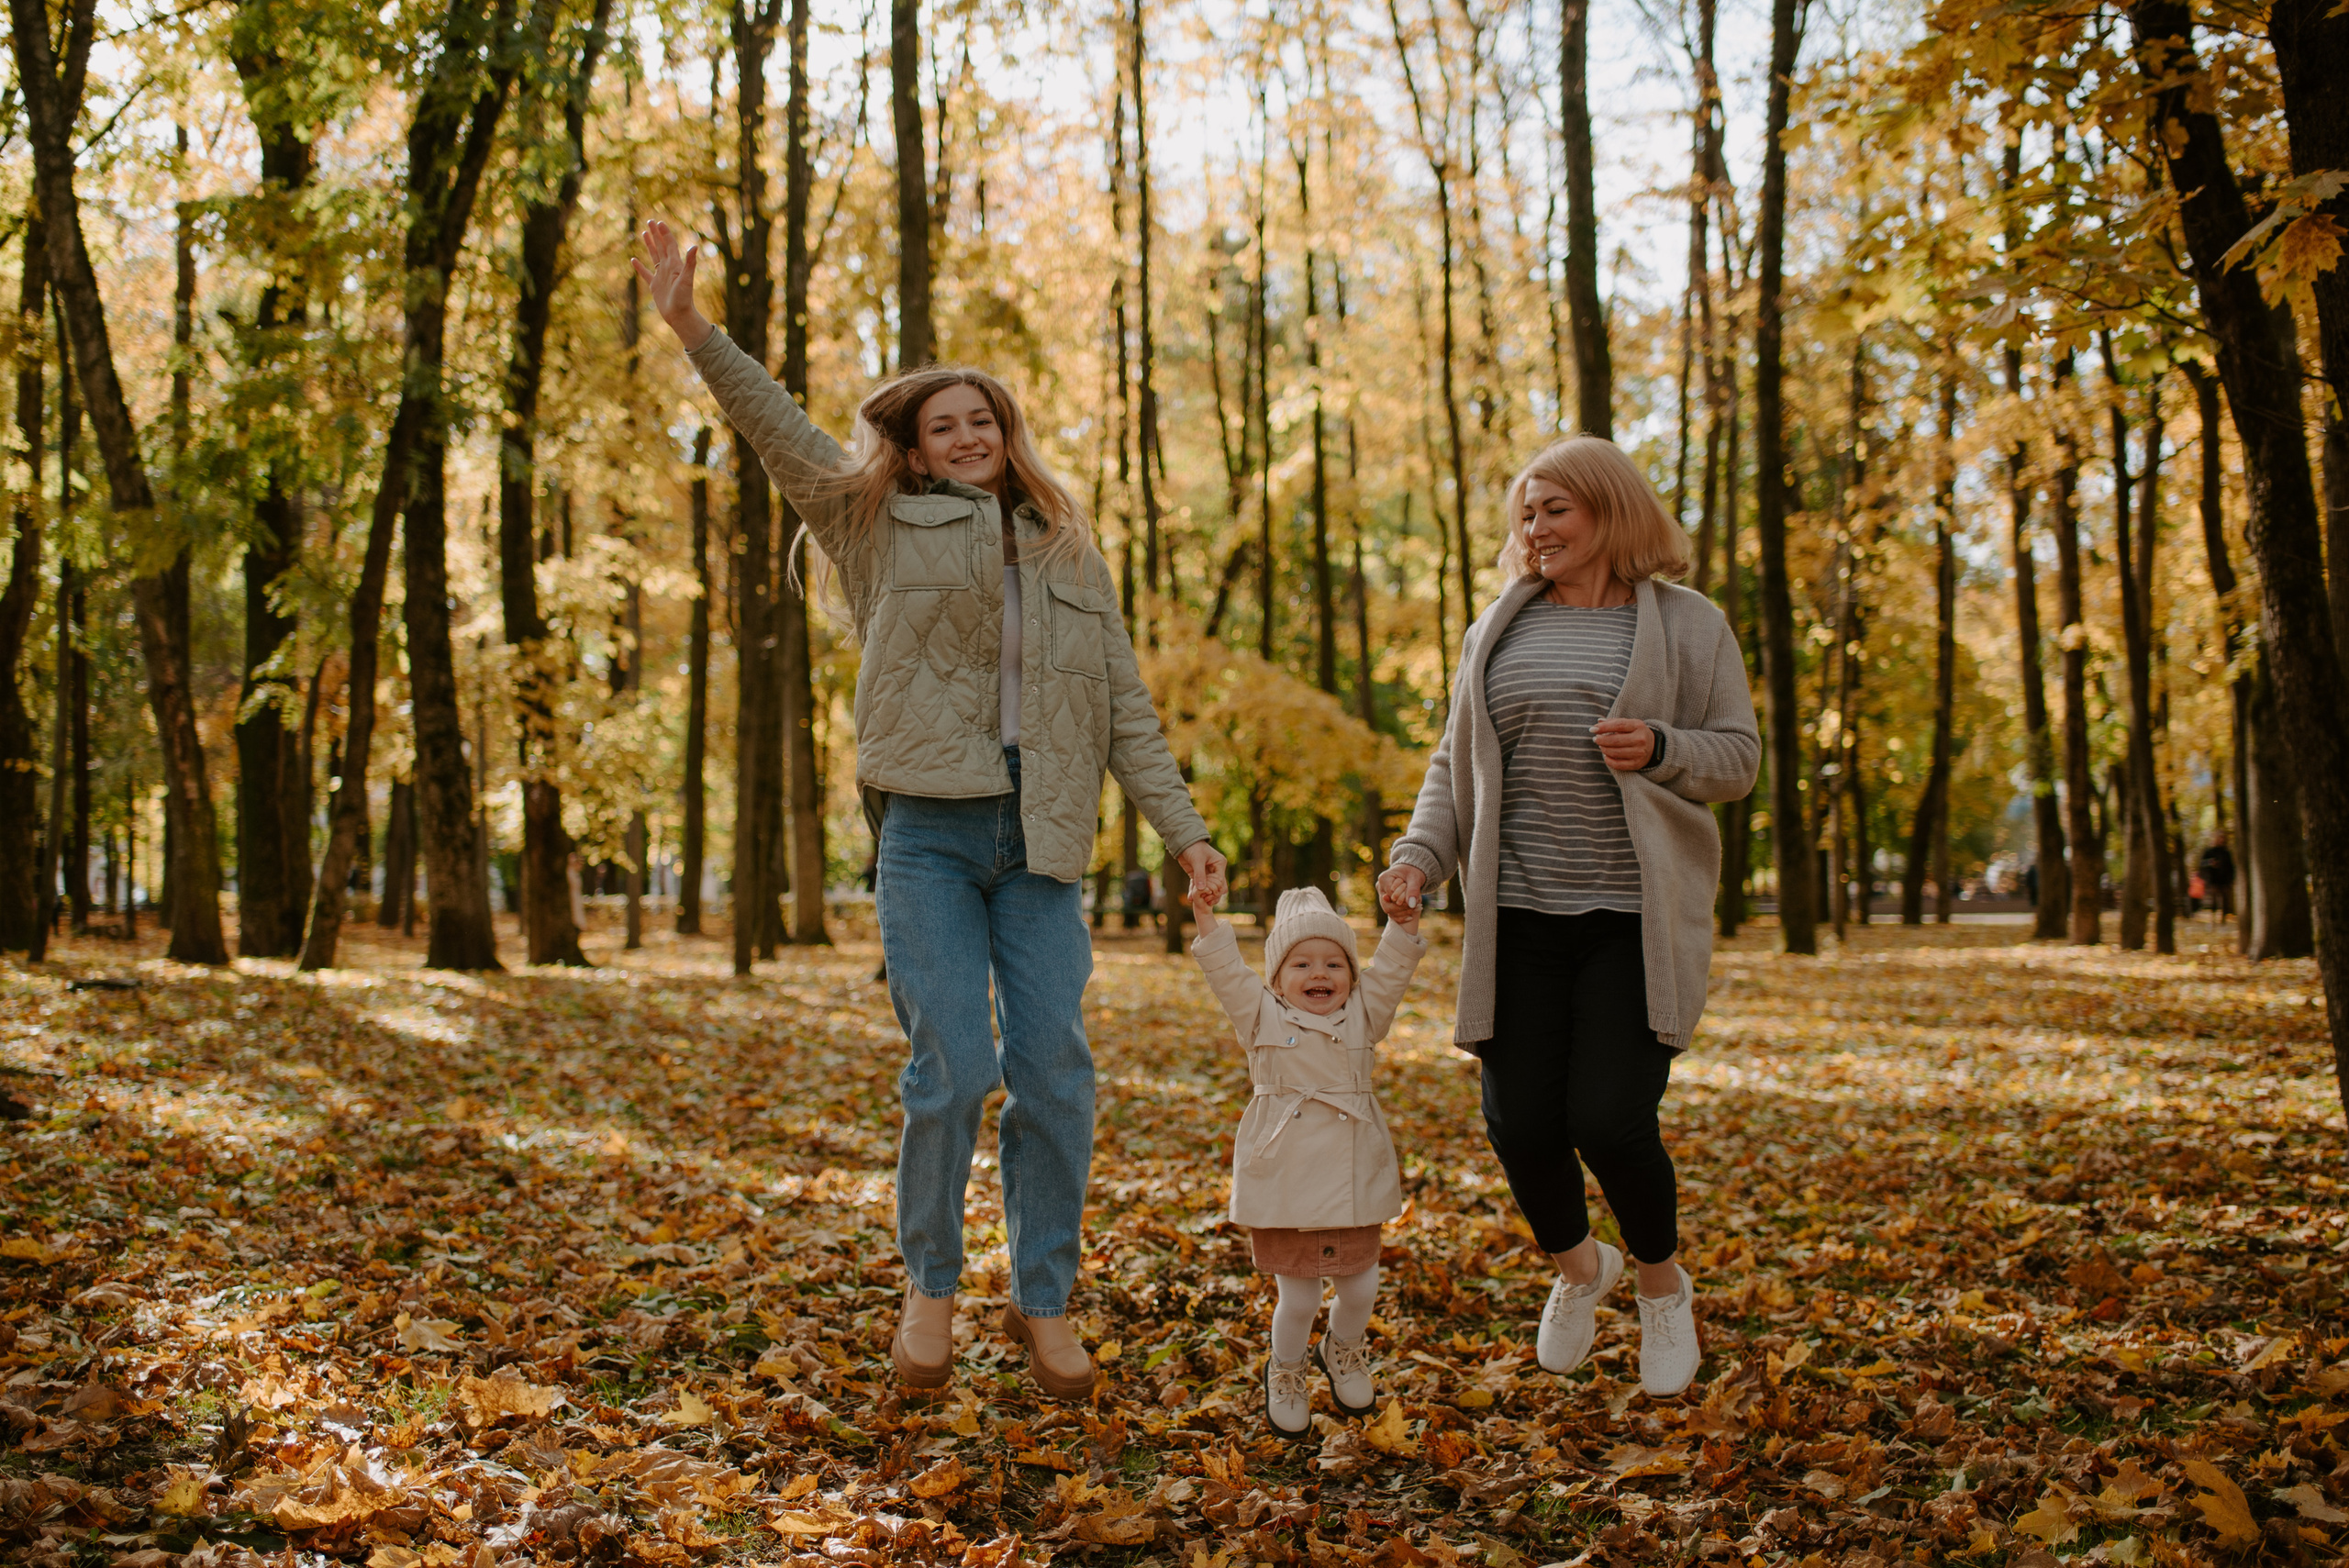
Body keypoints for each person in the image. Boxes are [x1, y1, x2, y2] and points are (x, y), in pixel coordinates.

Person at [636, 221, 1228, 1401]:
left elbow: (1122, 706)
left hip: (1043, 840)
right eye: (942, 423)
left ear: (1008, 438)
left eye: (984, 420)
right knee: (953, 1067)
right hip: (929, 835)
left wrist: (1186, 831)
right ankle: (931, 1286)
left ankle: (1045, 1303)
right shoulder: (868, 521)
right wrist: (692, 326)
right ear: (910, 445)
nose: (968, 436)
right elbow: (773, 424)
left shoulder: (1067, 547)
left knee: (1055, 1071)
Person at [1375, 436, 1759, 1400]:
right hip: (1519, 914)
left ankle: (1662, 1287)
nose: (1535, 531)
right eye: (1526, 515)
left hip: (1633, 918)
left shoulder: (1687, 622)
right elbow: (1451, 763)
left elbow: (1737, 757)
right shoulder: (1499, 626)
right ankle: (1583, 1269)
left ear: (1609, 509)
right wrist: (1419, 855)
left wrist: (1663, 744)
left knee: (1609, 1115)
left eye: (1555, 510)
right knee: (1517, 1120)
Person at [1188, 884, 1427, 1439]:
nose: (1319, 974)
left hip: (1352, 1174)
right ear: (1276, 978)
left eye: (1334, 963)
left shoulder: (1364, 1015)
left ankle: (1343, 1349)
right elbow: (1226, 974)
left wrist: (1404, 925)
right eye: (1301, 963)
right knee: (1298, 1297)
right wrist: (1207, 918)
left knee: (1360, 1288)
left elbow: (1391, 971)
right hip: (1287, 1182)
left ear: (1350, 974)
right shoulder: (1260, 1016)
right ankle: (1287, 1370)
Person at [2199, 835, 2236, 919]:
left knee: (2225, 902)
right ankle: (2213, 919)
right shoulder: (2209, 851)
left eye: (2223, 839)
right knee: (2213, 901)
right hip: (2212, 881)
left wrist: (2231, 879)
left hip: (2224, 881)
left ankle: (2223, 920)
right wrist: (2210, 863)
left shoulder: (2226, 853)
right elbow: (2202, 864)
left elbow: (2231, 867)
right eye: (2220, 839)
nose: (2221, 841)